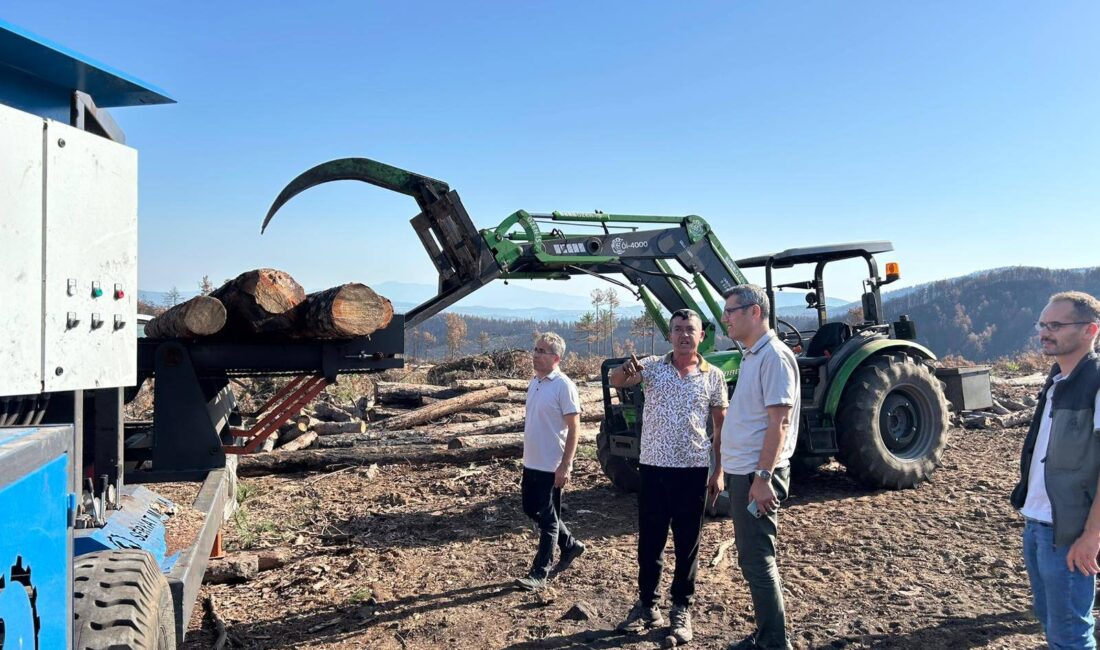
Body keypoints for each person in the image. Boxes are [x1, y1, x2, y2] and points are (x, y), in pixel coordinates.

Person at [609, 309, 728, 645]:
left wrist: (718, 471)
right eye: (677, 329)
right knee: (650, 542)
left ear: (701, 335)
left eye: (690, 329)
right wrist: (623, 371)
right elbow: (616, 381)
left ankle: (681, 609)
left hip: (693, 471)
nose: (683, 335)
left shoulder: (713, 376)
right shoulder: (651, 367)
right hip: (653, 469)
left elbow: (720, 429)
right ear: (669, 335)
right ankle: (648, 605)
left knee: (688, 544)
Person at [1010, 291, 1100, 649]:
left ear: (1090, 330)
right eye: (1043, 324)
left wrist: (1092, 536)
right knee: (1052, 622)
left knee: (1070, 636)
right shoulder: (1056, 380)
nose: (1045, 332)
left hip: (1068, 531)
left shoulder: (1096, 384)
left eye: (1056, 325)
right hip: (1036, 523)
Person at [717, 284, 799, 650]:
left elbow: (778, 422)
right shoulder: (754, 355)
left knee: (758, 559)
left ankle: (774, 642)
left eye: (731, 311)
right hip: (746, 473)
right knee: (751, 558)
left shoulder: (774, 357)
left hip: (757, 475)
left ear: (754, 312)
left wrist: (763, 477)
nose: (725, 318)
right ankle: (768, 634)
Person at [515, 332, 585, 591]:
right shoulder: (534, 381)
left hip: (551, 465)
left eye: (542, 351)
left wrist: (566, 465)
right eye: (535, 349)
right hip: (531, 461)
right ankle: (570, 545)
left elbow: (574, 427)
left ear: (556, 357)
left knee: (548, 519)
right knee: (530, 509)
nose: (535, 354)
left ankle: (539, 573)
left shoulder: (563, 385)